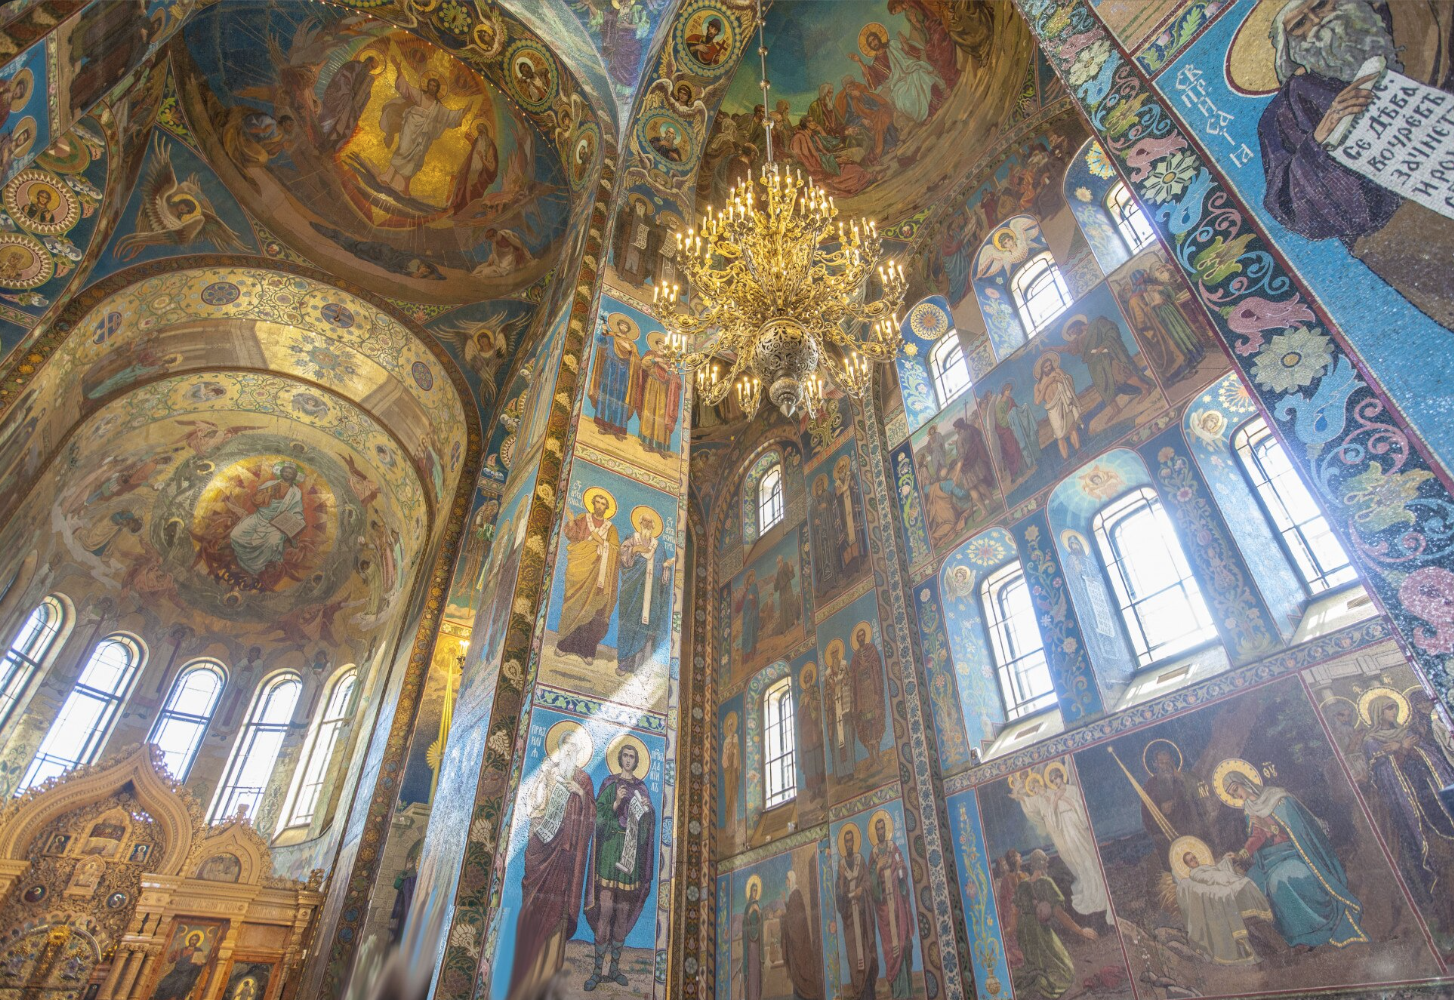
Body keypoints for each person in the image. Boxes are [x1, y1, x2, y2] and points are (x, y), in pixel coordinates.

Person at [1258, 0, 1454, 329]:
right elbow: (1293, 208)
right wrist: (1321, 138)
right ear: (1291, 52)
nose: (1316, 23)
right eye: (1299, 25)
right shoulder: (1286, 113)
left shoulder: (1418, 25)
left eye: (1320, 6)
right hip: (1409, 240)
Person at [1221, 765, 1367, 950]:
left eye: (1236, 790)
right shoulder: (1250, 810)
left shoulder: (1278, 798)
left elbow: (1297, 830)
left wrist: (1271, 829)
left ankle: (1314, 930)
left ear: (1245, 782)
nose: (1237, 796)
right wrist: (1241, 854)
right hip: (1269, 859)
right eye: (1233, 795)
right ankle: (1288, 939)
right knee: (1251, 885)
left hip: (1294, 852)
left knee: (1280, 880)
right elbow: (1257, 837)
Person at [508, 727, 595, 1000]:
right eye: (566, 744)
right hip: (542, 848)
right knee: (535, 905)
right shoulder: (547, 771)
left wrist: (580, 794)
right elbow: (531, 806)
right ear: (559, 747)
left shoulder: (584, 780)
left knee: (557, 910)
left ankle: (550, 973)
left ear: (579, 752)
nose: (570, 749)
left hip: (565, 856)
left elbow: (591, 816)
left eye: (574, 746)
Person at [1361, 693, 1454, 925]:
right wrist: (1400, 750)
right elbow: (1382, 773)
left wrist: (1408, 748)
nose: (1394, 712)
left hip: (1427, 784)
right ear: (1377, 713)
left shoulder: (1406, 732)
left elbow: (1428, 755)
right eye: (1389, 709)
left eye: (1394, 708)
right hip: (1406, 796)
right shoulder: (1372, 741)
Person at [583, 741, 656, 990]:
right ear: (619, 759)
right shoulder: (609, 785)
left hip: (630, 859)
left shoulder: (642, 789)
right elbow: (597, 818)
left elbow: (647, 830)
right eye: (624, 755)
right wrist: (615, 803)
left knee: (622, 914)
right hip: (609, 855)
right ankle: (596, 971)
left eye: (632, 756)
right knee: (605, 912)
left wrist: (647, 813)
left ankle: (614, 969)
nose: (628, 760)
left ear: (636, 762)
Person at [1014, 764, 1113, 924]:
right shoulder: (1046, 797)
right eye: (1052, 779)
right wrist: (1023, 794)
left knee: (1087, 858)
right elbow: (1049, 814)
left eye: (1056, 778)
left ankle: (1098, 892)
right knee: (1077, 861)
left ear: (1060, 776)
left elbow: (1077, 806)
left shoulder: (1063, 791)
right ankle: (1089, 890)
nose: (1055, 781)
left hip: (1074, 825)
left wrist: (1059, 797)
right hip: (1065, 829)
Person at [1171, 842, 1272, 966]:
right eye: (1191, 860)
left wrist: (1226, 860)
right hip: (1222, 881)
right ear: (1187, 865)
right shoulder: (1194, 873)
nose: (1194, 861)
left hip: (1224, 879)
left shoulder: (1206, 867)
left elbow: (1217, 870)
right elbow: (1210, 878)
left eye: (1194, 857)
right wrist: (1225, 879)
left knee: (1246, 883)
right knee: (1236, 889)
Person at [1014, 849, 1096, 999]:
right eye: (1046, 861)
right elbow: (1060, 914)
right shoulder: (1046, 883)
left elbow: (1016, 913)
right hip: (1038, 930)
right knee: (1066, 971)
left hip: (1024, 932)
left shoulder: (1022, 885)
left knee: (1035, 966)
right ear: (1043, 864)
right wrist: (1081, 931)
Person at [379, 64, 470, 197]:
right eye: (431, 85)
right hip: (411, 128)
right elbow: (406, 89)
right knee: (402, 151)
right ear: (427, 85)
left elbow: (450, 116)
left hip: (424, 136)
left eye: (435, 86)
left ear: (438, 89)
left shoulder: (438, 107)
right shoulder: (419, 95)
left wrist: (465, 110)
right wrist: (399, 69)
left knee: (416, 159)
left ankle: (404, 187)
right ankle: (387, 177)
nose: (432, 87)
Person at [556, 490, 621, 663]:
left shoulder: (611, 528)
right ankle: (565, 645)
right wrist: (570, 519)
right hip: (581, 570)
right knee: (574, 606)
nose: (600, 506)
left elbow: (616, 551)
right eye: (597, 502)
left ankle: (587, 651)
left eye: (603, 504)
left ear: (606, 508)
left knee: (594, 611)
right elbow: (573, 536)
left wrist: (601, 542)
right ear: (593, 504)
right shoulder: (583, 519)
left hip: (599, 576)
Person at [1062, 315, 1151, 421]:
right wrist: (1051, 348)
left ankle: (1145, 387)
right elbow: (1068, 349)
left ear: (1076, 325)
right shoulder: (1078, 340)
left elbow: (1111, 331)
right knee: (1102, 386)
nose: (1072, 334)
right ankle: (1116, 409)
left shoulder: (1097, 324)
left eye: (1071, 331)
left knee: (1120, 373)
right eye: (1070, 334)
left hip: (1108, 357)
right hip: (1095, 366)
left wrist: (1103, 346)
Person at [1122, 267, 1205, 381]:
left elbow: (1167, 295)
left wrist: (1160, 294)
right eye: (1143, 276)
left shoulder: (1148, 288)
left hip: (1163, 322)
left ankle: (1190, 364)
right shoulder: (1134, 299)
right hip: (1156, 330)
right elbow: (1140, 322)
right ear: (1139, 279)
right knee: (1171, 351)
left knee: (1177, 344)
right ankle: (1183, 373)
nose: (1146, 277)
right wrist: (1153, 306)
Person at [615, 509, 672, 676]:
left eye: (650, 522)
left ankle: (641, 667)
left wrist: (666, 569)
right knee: (628, 625)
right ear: (640, 523)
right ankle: (624, 664)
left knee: (648, 627)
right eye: (644, 521)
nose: (647, 524)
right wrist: (634, 550)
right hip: (632, 594)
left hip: (652, 596)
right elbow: (623, 559)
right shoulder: (631, 540)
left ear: (653, 526)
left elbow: (663, 573)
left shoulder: (659, 547)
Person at [228, 462, 305, 579]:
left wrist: (297, 523)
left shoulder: (296, 492)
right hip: (259, 517)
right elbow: (256, 500)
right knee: (236, 534)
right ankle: (243, 563)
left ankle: (256, 569)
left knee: (272, 542)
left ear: (295, 476)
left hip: (278, 523)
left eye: (291, 472)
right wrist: (265, 496)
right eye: (286, 471)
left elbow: (297, 510)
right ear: (281, 472)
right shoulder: (269, 484)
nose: (287, 473)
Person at [869, 815, 914, 998]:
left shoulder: (894, 849)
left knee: (904, 947)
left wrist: (902, 871)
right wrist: (878, 869)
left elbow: (903, 875)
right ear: (875, 832)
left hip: (898, 909)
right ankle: (896, 993)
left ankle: (907, 993)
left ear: (885, 829)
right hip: (884, 915)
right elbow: (871, 886)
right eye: (877, 829)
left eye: (882, 828)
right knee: (891, 950)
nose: (880, 832)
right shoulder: (873, 856)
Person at [836, 825, 879, 1000]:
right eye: (846, 841)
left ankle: (869, 995)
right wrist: (840, 880)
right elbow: (839, 898)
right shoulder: (840, 867)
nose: (848, 843)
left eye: (850, 840)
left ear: (854, 841)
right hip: (850, 924)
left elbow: (869, 882)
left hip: (862, 920)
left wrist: (862, 889)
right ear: (843, 844)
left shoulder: (861, 860)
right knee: (854, 960)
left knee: (867, 956)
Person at [588, 317, 641, 438]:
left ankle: (617, 429)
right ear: (618, 326)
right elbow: (600, 343)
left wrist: (631, 352)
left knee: (620, 399)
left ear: (628, 330)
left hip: (623, 372)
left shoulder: (631, 344)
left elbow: (637, 361)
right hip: (610, 367)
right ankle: (604, 425)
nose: (623, 327)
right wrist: (603, 331)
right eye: (621, 325)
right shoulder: (611, 336)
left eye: (626, 327)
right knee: (607, 394)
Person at [318, 54, 381, 152]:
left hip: (349, 103)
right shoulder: (352, 66)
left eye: (374, 68)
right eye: (371, 66)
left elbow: (364, 93)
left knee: (348, 121)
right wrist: (348, 94)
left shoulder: (366, 76)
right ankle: (323, 141)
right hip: (340, 97)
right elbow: (341, 80)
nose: (371, 70)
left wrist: (362, 98)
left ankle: (330, 146)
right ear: (367, 62)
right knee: (339, 119)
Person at [782, 868, 823, 999]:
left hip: (800, 943)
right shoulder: (793, 896)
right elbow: (792, 914)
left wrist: (783, 917)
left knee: (803, 970)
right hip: (798, 943)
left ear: (791, 880)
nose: (786, 883)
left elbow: (795, 921)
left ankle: (808, 994)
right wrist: (785, 904)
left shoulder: (796, 895)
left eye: (787, 881)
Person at [1033, 352, 1081, 459]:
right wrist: (1047, 384)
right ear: (1041, 369)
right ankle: (1066, 459)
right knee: (1060, 436)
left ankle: (1079, 452)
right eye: (1046, 367)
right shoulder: (1038, 385)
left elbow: (1068, 381)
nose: (1049, 368)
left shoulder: (1058, 371)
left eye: (1050, 365)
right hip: (1052, 410)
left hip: (1063, 403)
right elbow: (1037, 402)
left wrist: (1058, 379)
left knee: (1072, 428)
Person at [849, 625, 887, 758]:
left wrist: (869, 667)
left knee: (875, 722)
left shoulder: (871, 649)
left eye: (862, 636)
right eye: (858, 637)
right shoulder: (854, 658)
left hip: (872, 690)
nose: (860, 639)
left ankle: (877, 754)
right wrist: (859, 671)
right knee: (866, 724)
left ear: (865, 636)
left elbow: (877, 665)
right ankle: (871, 756)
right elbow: (852, 676)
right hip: (862, 696)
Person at [797, 667, 827, 804]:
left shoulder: (815, 691)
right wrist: (806, 704)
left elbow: (819, 705)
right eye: (806, 678)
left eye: (809, 677)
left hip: (814, 729)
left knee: (817, 759)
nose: (808, 679)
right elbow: (799, 716)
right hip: (806, 733)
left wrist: (813, 703)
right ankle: (813, 792)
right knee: (809, 762)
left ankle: (819, 789)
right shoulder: (803, 696)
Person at [743, 879, 763, 1000]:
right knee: (751, 969)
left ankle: (757, 995)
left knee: (757, 971)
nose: (755, 892)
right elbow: (744, 922)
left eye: (756, 890)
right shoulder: (747, 907)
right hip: (750, 944)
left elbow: (761, 921)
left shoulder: (758, 904)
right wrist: (750, 912)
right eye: (753, 890)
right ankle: (751, 996)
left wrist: (759, 913)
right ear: (750, 892)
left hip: (757, 943)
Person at [736, 570, 760, 662]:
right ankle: (746, 656)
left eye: (753, 577)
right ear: (748, 580)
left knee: (752, 632)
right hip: (746, 616)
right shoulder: (746, 592)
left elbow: (756, 598)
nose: (753, 579)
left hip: (752, 613)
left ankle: (752, 654)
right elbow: (740, 606)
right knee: (746, 634)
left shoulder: (754, 587)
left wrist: (753, 598)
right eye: (751, 577)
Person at [772, 554, 799, 633]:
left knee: (790, 602)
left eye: (779, 561)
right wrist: (774, 582)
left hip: (787, 587)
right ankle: (786, 627)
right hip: (782, 591)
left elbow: (790, 573)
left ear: (781, 560)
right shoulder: (778, 571)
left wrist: (790, 567)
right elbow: (777, 585)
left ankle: (795, 621)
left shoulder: (786, 565)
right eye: (777, 562)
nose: (778, 563)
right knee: (783, 607)